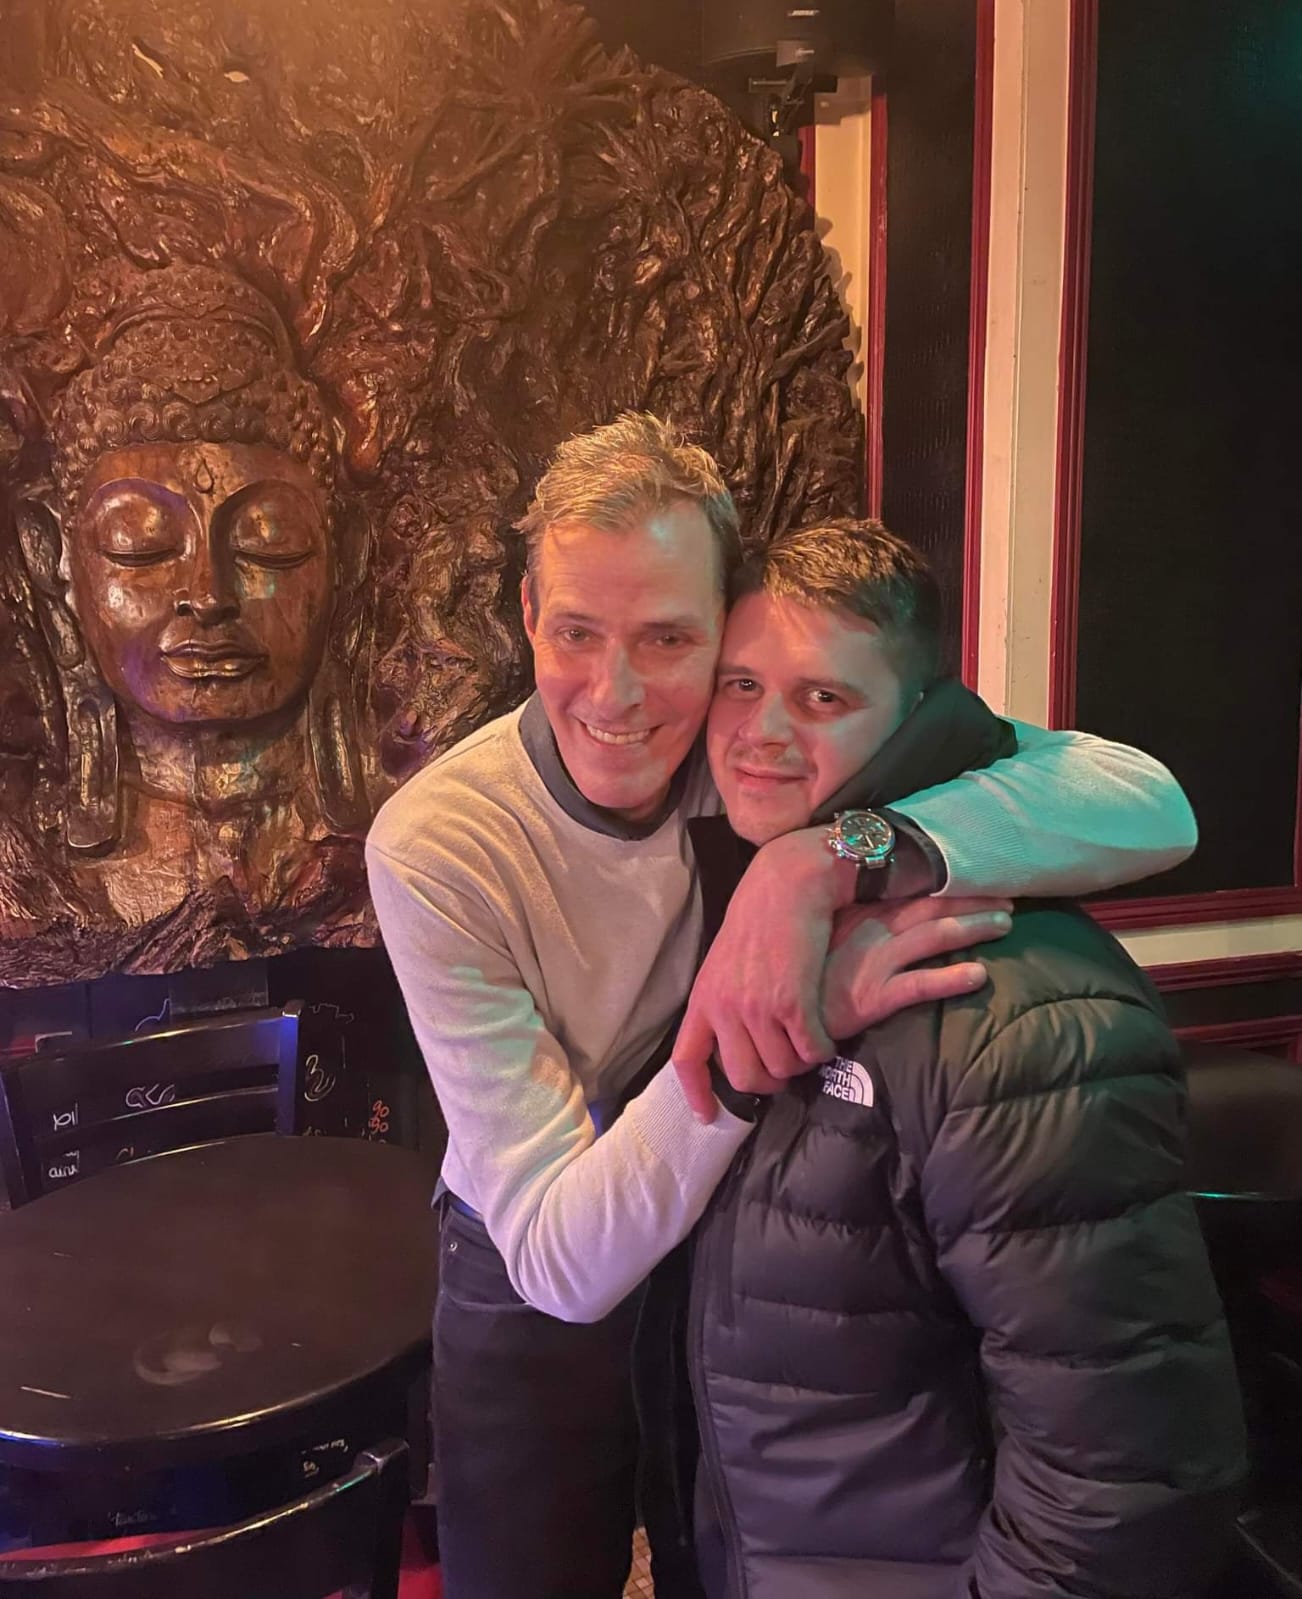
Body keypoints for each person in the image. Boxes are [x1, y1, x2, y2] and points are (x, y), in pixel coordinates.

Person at [364, 414, 1201, 1599]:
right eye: (576, 633)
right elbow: (562, 1262)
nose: (617, 694)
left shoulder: (747, 747)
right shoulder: (440, 841)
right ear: (527, 615)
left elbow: (1148, 799)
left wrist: (826, 859)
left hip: (715, 1198)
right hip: (533, 1224)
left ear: (721, 628)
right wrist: (757, 1030)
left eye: (669, 638)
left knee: (702, 1520)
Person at [643, 517, 1245, 1599]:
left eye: (822, 697)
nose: (760, 731)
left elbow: (1120, 1486)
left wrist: (822, 856)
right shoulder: (758, 887)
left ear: (920, 719)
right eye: (740, 685)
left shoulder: (1014, 1016)